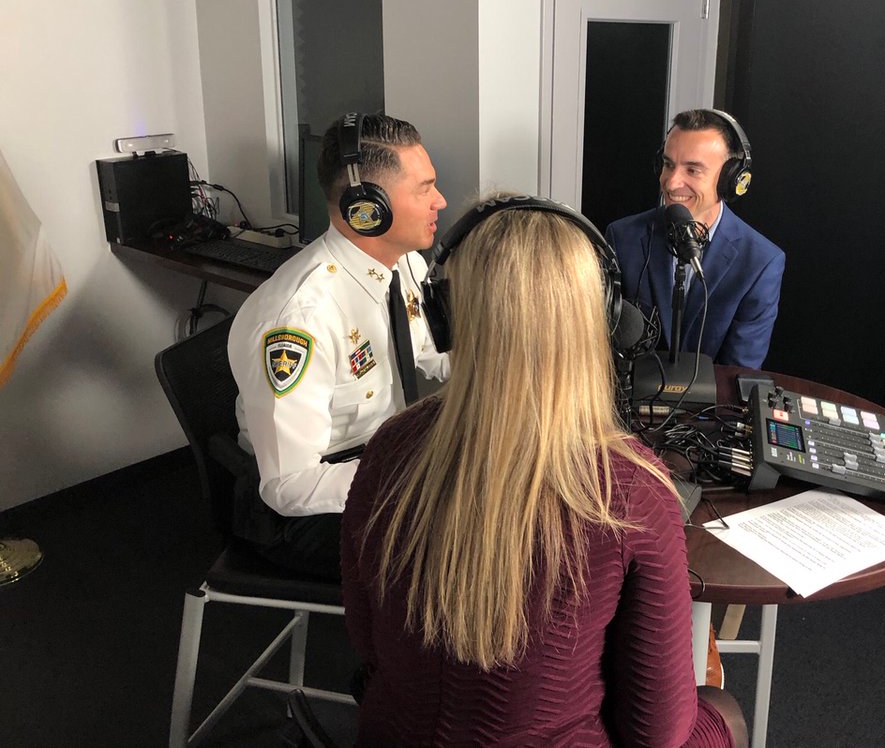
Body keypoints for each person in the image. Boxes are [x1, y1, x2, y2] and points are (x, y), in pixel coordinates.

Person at [341, 195, 747, 746]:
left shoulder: (390, 446)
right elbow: (658, 733)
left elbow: (365, 640)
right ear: (603, 322)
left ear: (447, 317)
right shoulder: (630, 491)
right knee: (723, 710)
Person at [228, 113, 449, 580]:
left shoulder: (405, 264)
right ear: (367, 207)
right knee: (458, 549)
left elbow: (431, 353)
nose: (440, 201)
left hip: (382, 453)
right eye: (424, 189)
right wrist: (415, 479)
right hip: (304, 506)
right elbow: (289, 485)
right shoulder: (299, 321)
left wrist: (515, 367)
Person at [605, 108, 785, 370]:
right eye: (668, 164)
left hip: (712, 396)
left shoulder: (760, 263)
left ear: (731, 181)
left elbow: (737, 372)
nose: (671, 183)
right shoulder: (622, 237)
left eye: (692, 170)